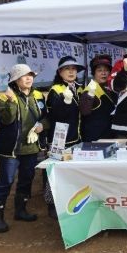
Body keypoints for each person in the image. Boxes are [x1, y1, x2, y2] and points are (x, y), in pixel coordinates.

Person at [0, 64, 47, 233]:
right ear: (15, 80)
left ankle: (21, 210)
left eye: (31, 75)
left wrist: (42, 125)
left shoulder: (38, 95)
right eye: (24, 75)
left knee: (26, 179)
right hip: (11, 148)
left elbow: (46, 117)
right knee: (6, 181)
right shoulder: (4, 98)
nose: (29, 78)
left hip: (31, 147)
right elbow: (6, 121)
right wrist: (10, 102)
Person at [45, 55, 84, 218]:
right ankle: (51, 203)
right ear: (60, 72)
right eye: (67, 69)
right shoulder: (56, 90)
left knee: (72, 172)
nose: (71, 72)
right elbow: (54, 115)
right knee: (55, 171)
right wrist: (64, 101)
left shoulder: (80, 88)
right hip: (59, 138)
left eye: (74, 69)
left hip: (77, 136)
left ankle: (69, 200)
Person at [79, 54, 117, 142]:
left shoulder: (110, 89)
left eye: (106, 70)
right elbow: (84, 111)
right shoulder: (89, 90)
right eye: (99, 70)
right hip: (94, 140)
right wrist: (90, 94)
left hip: (109, 138)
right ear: (94, 73)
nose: (103, 73)